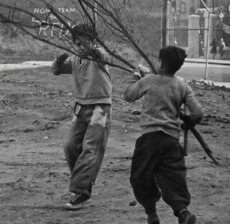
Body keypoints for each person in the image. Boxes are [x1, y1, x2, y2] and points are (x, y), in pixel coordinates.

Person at [123, 46, 204, 224]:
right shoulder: (182, 86)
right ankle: (183, 213)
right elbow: (198, 113)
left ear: (161, 62)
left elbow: (128, 95)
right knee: (174, 177)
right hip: (171, 140)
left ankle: (151, 213)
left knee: (140, 175)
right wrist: (186, 123)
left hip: (149, 139)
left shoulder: (149, 80)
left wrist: (136, 77)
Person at [52, 23, 112, 210]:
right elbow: (56, 70)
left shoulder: (100, 54)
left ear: (93, 42)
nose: (79, 47)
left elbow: (101, 56)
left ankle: (82, 191)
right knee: (70, 146)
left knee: (90, 148)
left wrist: (92, 50)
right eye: (76, 43)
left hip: (100, 107)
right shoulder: (76, 58)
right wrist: (58, 62)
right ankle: (82, 183)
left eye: (83, 43)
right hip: (81, 106)